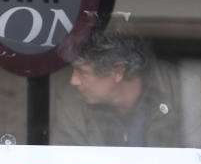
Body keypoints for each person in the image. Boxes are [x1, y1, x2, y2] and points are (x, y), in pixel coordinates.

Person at [50, 23, 181, 148]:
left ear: (118, 71)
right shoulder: (72, 108)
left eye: (83, 73)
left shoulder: (176, 95)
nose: (73, 80)